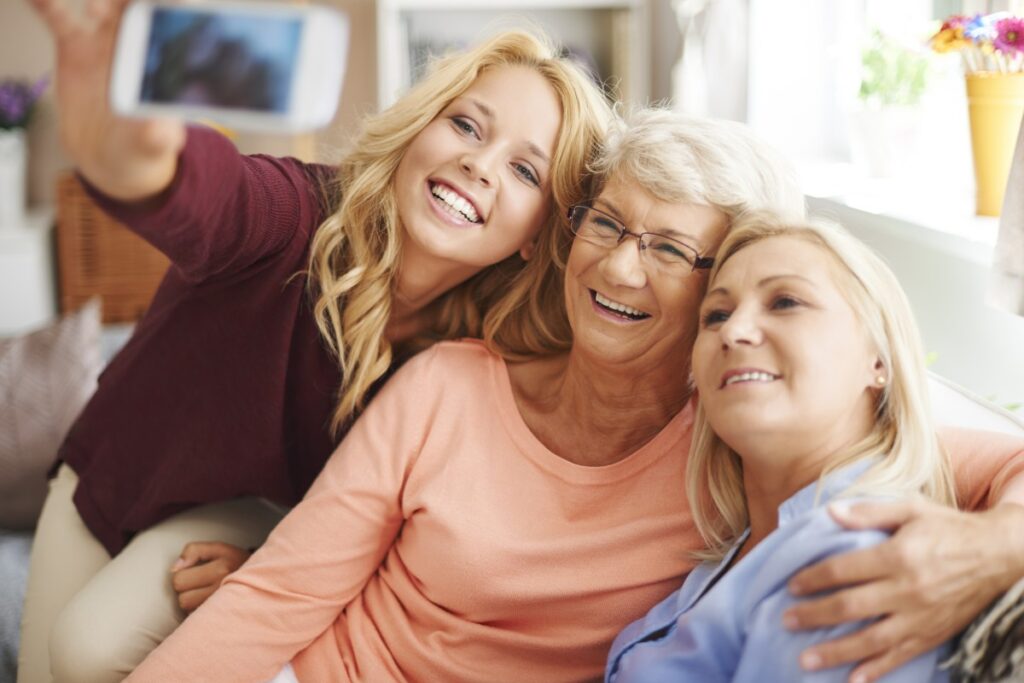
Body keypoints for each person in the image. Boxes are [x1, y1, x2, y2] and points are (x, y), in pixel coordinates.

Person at [124, 110, 1024, 683]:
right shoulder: (448, 385)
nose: (619, 264)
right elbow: (280, 595)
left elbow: (983, 460)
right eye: (608, 223)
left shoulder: (750, 429)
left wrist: (987, 549)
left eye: (671, 249)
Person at [20, 0, 612, 681]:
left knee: (86, 648)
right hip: (117, 475)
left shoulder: (485, 359)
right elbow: (197, 189)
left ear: (539, 233)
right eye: (466, 124)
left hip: (263, 516)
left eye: (526, 171)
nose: (480, 163)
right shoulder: (296, 217)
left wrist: (272, 577)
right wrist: (134, 132)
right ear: (422, 125)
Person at [605, 215, 973, 681]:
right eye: (715, 315)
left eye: (785, 302)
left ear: (878, 360)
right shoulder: (743, 546)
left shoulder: (857, 562)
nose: (734, 331)